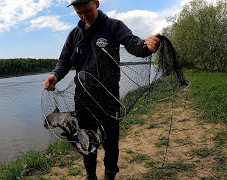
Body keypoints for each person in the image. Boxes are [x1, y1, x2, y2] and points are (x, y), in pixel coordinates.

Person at [43, 0, 161, 179]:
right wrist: (55, 76)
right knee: (85, 139)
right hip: (82, 98)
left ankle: (109, 176)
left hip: (108, 97)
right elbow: (64, 62)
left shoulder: (114, 26)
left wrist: (147, 45)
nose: (84, 16)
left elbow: (133, 44)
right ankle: (91, 175)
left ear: (96, 3)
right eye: (79, 13)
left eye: (87, 11)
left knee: (111, 143)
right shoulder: (74, 35)